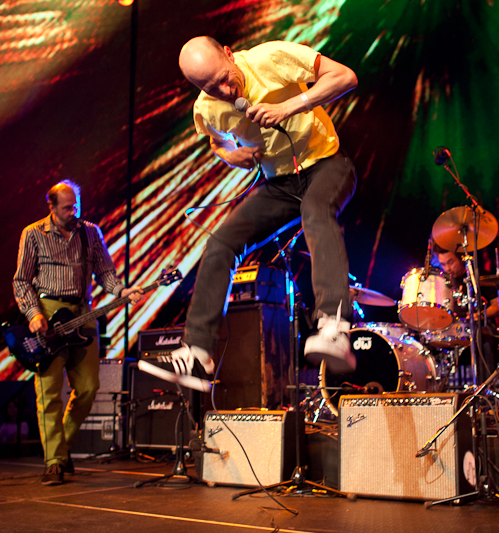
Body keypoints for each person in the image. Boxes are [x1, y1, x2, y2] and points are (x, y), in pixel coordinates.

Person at [140, 37, 358, 392]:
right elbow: (216, 140)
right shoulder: (206, 108)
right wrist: (231, 154)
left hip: (328, 165)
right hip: (280, 184)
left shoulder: (270, 58)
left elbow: (345, 77)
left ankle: (334, 327)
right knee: (221, 242)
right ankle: (198, 352)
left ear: (229, 53)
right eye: (211, 88)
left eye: (225, 78)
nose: (225, 90)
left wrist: (290, 106)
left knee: (315, 210)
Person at [13, 179, 142, 485]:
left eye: (76, 206)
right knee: (49, 393)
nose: (73, 212)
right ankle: (55, 461)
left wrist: (123, 290)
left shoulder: (91, 232)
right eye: (67, 207)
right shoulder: (32, 234)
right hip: (47, 313)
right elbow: (21, 281)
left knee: (88, 388)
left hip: (83, 313)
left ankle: (62, 447)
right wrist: (33, 314)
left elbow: (105, 273)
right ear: (52, 207)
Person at [434, 243, 499, 379]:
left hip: (478, 327)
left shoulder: (479, 277)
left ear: (461, 258)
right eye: (443, 264)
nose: (447, 268)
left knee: (484, 339)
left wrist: (478, 316)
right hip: (452, 330)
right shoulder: (443, 282)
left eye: (450, 262)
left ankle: (485, 392)